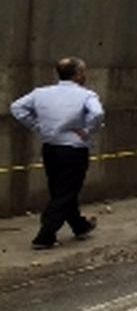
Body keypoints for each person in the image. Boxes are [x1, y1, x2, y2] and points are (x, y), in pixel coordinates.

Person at [9, 57, 105, 249]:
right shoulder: (86, 95)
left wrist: (37, 126)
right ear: (77, 74)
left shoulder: (41, 93)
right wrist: (86, 130)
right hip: (74, 149)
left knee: (60, 189)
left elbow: (17, 107)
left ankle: (80, 226)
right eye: (83, 71)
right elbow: (97, 114)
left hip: (50, 147)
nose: (85, 75)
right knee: (66, 192)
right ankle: (45, 235)